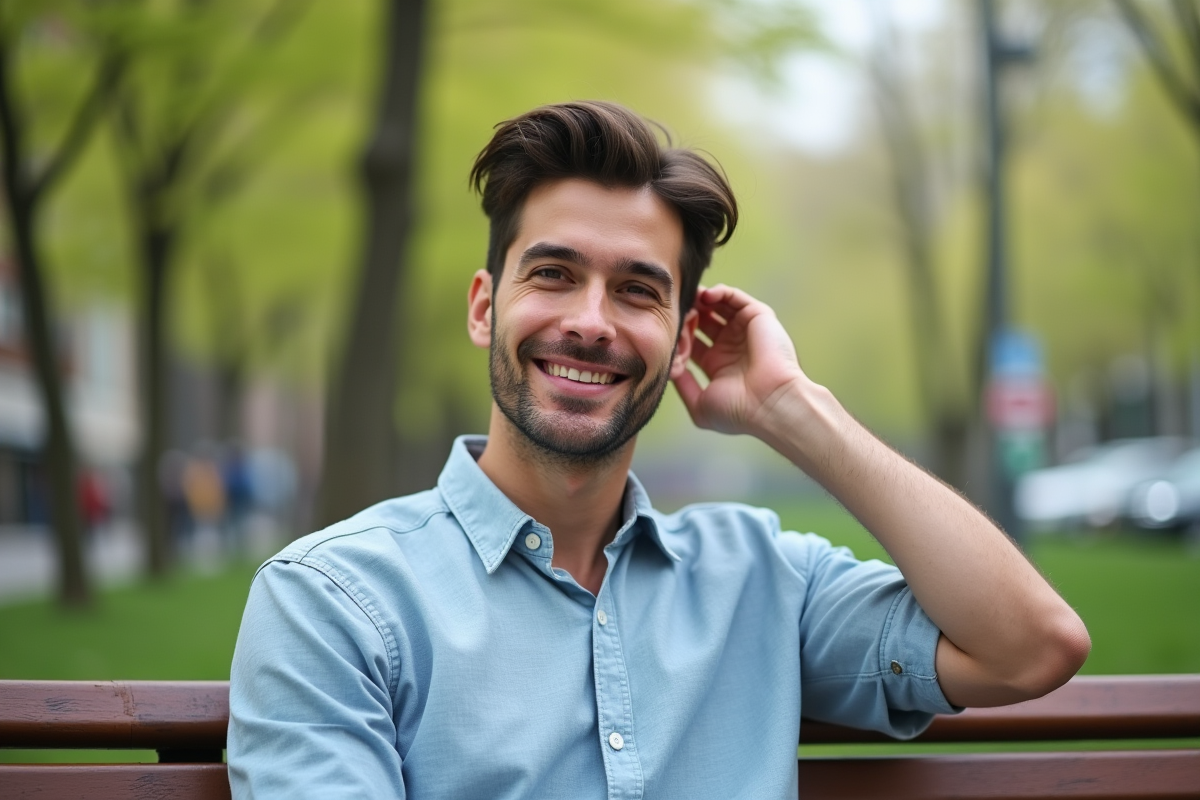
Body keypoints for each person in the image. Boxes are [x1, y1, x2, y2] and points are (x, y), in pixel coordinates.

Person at [228, 101, 1090, 799]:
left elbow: (1033, 647)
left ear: (680, 341)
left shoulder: (765, 582)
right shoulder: (334, 604)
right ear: (486, 307)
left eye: (638, 291)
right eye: (554, 274)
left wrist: (794, 411)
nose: (592, 322)